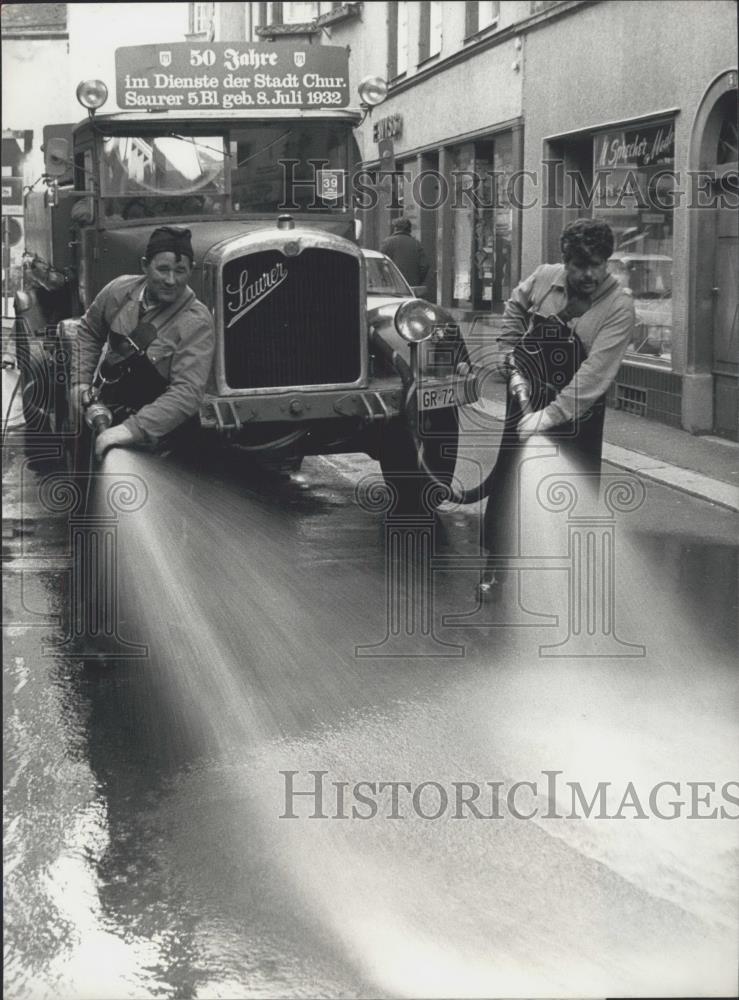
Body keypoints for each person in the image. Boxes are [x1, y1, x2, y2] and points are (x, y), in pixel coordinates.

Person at [478, 218, 635, 600]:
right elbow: (517, 303)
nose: (590, 274)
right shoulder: (545, 278)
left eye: (598, 264)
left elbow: (595, 373)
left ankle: (569, 582)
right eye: (580, 265)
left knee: (573, 491)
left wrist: (548, 417)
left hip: (576, 415)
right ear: (565, 262)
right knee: (508, 483)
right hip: (525, 399)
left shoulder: (618, 306)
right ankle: (497, 566)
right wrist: (508, 347)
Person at [70, 226, 215, 460]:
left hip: (161, 439)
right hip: (106, 415)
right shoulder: (118, 291)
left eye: (180, 271)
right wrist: (80, 382)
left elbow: (187, 392)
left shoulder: (196, 322)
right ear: (144, 265)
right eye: (163, 269)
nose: (171, 280)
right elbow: (89, 330)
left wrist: (131, 430)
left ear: (191, 271)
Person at [380, 217, 430, 288]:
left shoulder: (387, 243)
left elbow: (380, 264)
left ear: (395, 229)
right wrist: (417, 280)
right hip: (412, 286)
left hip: (393, 286)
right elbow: (424, 266)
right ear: (409, 230)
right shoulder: (416, 244)